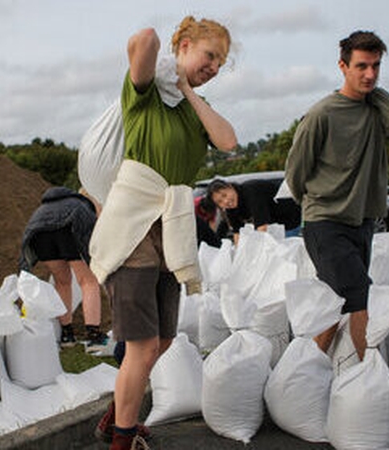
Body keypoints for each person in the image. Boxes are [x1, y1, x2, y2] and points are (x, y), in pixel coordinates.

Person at [89, 16, 236, 450]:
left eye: (220, 64)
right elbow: (145, 40)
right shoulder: (145, 95)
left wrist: (191, 90)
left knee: (164, 338)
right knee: (142, 343)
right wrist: (168, 67)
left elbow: (227, 141)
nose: (214, 67)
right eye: (210, 56)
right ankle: (122, 439)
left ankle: (117, 416)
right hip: (134, 226)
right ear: (186, 46)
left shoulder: (192, 110)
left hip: (170, 230)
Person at [284, 30, 389, 364]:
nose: (370, 74)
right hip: (326, 223)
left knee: (335, 304)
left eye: (375, 66)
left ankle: (302, 377)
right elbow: (295, 173)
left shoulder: (375, 111)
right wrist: (319, 204)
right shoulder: (322, 114)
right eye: (360, 66)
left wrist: (372, 92)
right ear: (342, 66)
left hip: (362, 223)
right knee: (360, 297)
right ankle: (371, 381)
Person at [19, 186, 105, 348]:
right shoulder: (82, 205)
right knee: (88, 281)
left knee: (62, 282)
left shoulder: (44, 208)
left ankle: (67, 334)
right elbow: (96, 226)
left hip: (40, 236)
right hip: (67, 230)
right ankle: (94, 336)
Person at [206, 177, 301, 242]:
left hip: (292, 220)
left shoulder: (251, 192)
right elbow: (237, 233)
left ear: (230, 187)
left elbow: (262, 227)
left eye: (224, 195)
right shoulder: (231, 208)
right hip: (275, 227)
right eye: (220, 202)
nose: (226, 201)